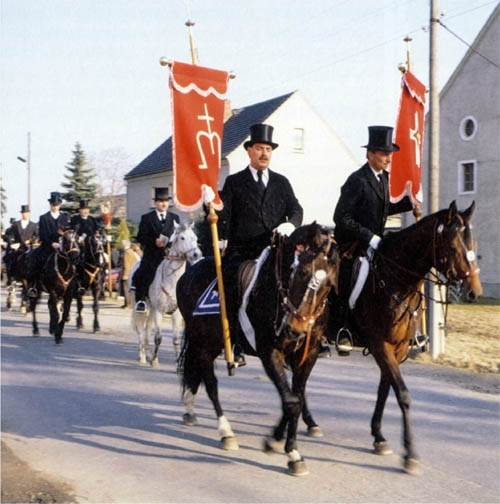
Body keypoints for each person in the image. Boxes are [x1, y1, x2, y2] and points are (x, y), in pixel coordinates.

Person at [206, 123, 303, 366]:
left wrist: (290, 223)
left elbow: (296, 208)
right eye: (259, 148)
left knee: (303, 281)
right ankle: (236, 342)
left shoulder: (281, 183)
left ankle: (299, 340)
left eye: (268, 149)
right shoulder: (235, 182)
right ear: (249, 151)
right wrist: (210, 201)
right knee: (232, 285)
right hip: (244, 251)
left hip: (275, 250)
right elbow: (222, 211)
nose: (264, 154)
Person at [330, 125, 417, 355]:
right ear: (371, 154)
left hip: (377, 243)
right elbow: (341, 217)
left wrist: (410, 202)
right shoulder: (357, 180)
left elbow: (385, 208)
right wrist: (368, 236)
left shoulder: (385, 180)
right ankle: (343, 329)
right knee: (349, 274)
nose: (389, 158)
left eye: (390, 154)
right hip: (353, 244)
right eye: (384, 153)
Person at [132, 188, 180, 312]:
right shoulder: (147, 218)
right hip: (152, 254)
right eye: (160, 201)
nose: (163, 204)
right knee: (143, 271)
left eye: (165, 201)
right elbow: (141, 237)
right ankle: (141, 300)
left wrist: (169, 243)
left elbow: (178, 236)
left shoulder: (175, 217)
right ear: (155, 203)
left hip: (170, 255)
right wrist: (154, 242)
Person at [26, 192, 71, 297]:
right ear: (50, 205)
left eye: (56, 205)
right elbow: (42, 235)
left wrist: (62, 241)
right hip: (47, 247)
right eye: (53, 205)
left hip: (62, 248)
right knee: (35, 258)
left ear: (59, 205)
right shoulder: (43, 218)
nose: (55, 207)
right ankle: (34, 286)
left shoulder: (65, 217)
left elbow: (68, 233)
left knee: (75, 260)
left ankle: (77, 285)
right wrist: (51, 243)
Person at [120, 239, 140, 309]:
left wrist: (125, 275)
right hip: (133, 271)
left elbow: (126, 264)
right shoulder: (131, 251)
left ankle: (128, 304)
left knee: (126, 289)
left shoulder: (127, 252)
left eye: (122, 243)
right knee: (129, 288)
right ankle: (128, 303)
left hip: (128, 273)